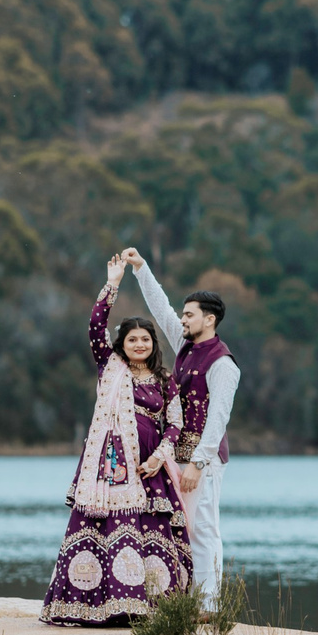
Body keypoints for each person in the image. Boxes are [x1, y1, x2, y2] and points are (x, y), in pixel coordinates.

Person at [41, 252, 194, 625]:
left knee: (153, 531)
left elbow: (175, 422)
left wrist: (160, 455)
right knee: (105, 528)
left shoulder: (164, 378)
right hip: (110, 466)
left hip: (151, 468)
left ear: (153, 344)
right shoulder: (111, 367)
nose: (139, 344)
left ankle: (153, 610)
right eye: (132, 339)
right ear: (121, 344)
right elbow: (95, 328)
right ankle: (98, 608)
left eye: (145, 339)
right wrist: (112, 283)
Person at [122, 247, 239, 609]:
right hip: (176, 456)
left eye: (190, 315)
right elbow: (161, 308)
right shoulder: (186, 345)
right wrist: (140, 268)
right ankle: (182, 601)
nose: (182, 319)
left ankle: (208, 606)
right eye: (184, 314)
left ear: (210, 319)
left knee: (203, 528)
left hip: (202, 462)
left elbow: (218, 419)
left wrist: (198, 464)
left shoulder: (223, 365)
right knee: (180, 528)